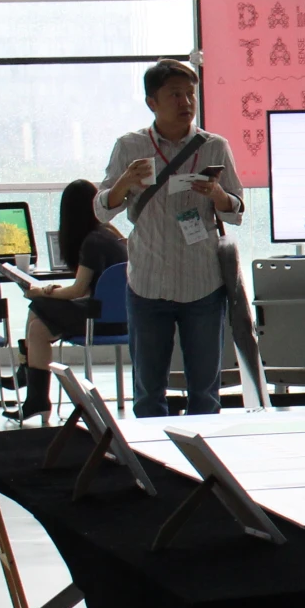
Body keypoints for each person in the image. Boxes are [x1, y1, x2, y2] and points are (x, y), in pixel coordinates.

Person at [96, 59, 245, 417]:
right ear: (152, 102)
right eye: (175, 94)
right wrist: (124, 183)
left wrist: (217, 195)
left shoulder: (213, 146)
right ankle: (153, 468)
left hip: (203, 283)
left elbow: (236, 209)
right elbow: (102, 209)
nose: (186, 102)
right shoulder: (129, 146)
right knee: (148, 393)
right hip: (148, 283)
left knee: (206, 392)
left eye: (190, 94)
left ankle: (206, 470)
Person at [7, 179, 128, 423]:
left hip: (100, 321)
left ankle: (31, 383)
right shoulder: (109, 234)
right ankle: (34, 393)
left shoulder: (92, 242)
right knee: (38, 327)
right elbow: (87, 291)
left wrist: (42, 292)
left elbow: (77, 291)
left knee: (38, 305)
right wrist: (51, 292)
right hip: (124, 318)